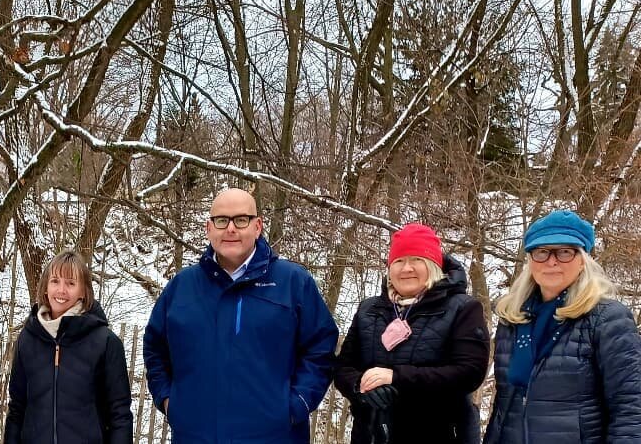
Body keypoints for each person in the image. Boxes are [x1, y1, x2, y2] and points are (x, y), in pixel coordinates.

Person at [142, 187, 338, 444]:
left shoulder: (292, 282)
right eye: (221, 220)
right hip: (196, 435)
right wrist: (170, 401)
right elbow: (155, 348)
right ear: (208, 228)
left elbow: (320, 349)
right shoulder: (182, 287)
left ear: (258, 226)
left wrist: (293, 406)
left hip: (274, 436)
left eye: (241, 220)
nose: (231, 229)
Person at [484, 210, 641, 443]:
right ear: (530, 261)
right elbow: (504, 405)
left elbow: (631, 407)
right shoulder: (514, 318)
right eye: (541, 252)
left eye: (565, 252)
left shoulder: (607, 319)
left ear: (582, 260)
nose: (552, 261)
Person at [335, 223, 489, 444]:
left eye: (417, 259)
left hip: (438, 433)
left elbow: (469, 372)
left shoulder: (462, 308)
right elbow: (343, 367)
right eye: (398, 261)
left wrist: (396, 377)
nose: (406, 268)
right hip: (371, 433)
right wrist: (360, 386)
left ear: (433, 266)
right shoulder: (370, 309)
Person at [4, 250, 133, 444]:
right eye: (55, 281)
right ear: (46, 287)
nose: (61, 290)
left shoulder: (105, 342)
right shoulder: (28, 339)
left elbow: (120, 414)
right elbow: (17, 407)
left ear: (83, 291)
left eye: (70, 283)